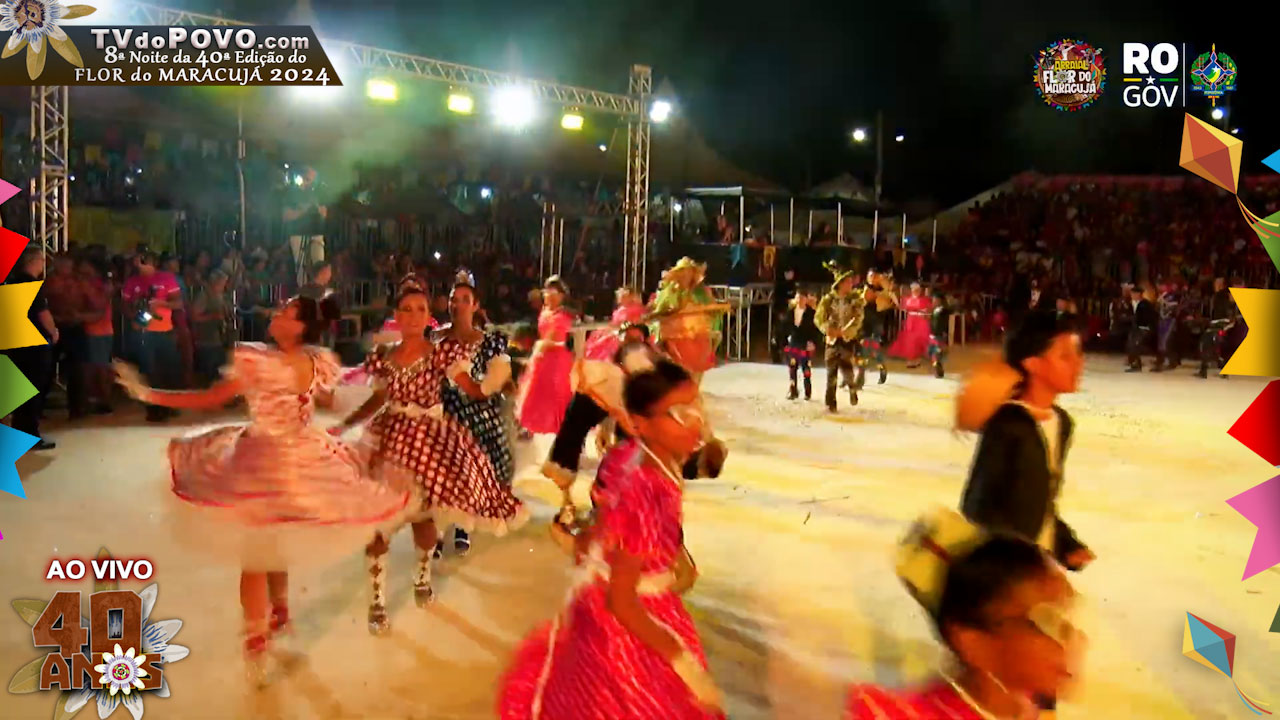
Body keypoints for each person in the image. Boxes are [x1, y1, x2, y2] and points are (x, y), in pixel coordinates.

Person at [112, 296, 410, 682]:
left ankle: (256, 640)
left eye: (286, 313)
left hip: (263, 459)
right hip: (302, 457)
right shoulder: (314, 361)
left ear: (299, 327)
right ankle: (279, 612)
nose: (276, 314)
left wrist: (148, 394)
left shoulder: (262, 361)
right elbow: (330, 397)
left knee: (255, 553)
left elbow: (210, 398)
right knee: (275, 535)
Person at [499, 360, 724, 720]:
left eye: (697, 408)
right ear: (639, 424)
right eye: (680, 414)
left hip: (613, 597)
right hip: (631, 621)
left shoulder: (631, 456)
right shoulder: (647, 490)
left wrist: (589, 543)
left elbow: (607, 521)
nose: (696, 422)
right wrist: (685, 666)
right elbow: (622, 600)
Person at [332, 276, 527, 633]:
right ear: (396, 315)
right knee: (379, 524)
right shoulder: (384, 357)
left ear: (428, 316)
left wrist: (496, 379)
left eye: (420, 309)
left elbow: (474, 390)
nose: (412, 316)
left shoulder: (441, 353)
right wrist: (346, 423)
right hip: (389, 442)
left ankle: (422, 578)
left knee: (423, 523)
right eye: (406, 309)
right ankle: (376, 601)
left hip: (431, 444)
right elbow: (379, 398)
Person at [846, 508, 1082, 719]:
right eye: (1046, 623)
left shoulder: (1030, 707)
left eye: (1069, 621)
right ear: (974, 643)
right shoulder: (883, 714)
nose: (1072, 639)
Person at [437, 276, 514, 556]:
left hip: (477, 413)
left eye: (464, 300)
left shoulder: (489, 342)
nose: (457, 305)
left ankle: (463, 524)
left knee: (469, 470)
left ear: (476, 305)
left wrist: (495, 387)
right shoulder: (436, 339)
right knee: (441, 472)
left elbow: (496, 381)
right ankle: (437, 529)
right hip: (443, 409)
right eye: (453, 300)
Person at [121, 251, 184, 422]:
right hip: (143, 332)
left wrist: (161, 303)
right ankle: (154, 409)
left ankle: (170, 405)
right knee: (148, 371)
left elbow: (178, 303)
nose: (140, 264)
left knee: (169, 370)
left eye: (144, 261)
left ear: (152, 262)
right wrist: (134, 317)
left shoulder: (166, 278)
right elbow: (125, 306)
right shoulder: (132, 282)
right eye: (138, 261)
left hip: (165, 331)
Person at [5, 247, 58, 450]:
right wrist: (53, 331)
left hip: (15, 343)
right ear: (33, 261)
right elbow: (43, 314)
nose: (43, 264)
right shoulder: (33, 285)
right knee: (34, 389)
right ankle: (29, 434)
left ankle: (19, 432)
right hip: (35, 344)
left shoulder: (9, 282)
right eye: (42, 260)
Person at [516, 276, 576, 436]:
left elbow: (556, 338)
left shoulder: (562, 315)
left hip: (556, 359)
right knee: (534, 392)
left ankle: (565, 431)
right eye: (547, 292)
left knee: (556, 396)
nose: (549, 295)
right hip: (542, 358)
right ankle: (529, 426)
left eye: (553, 292)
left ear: (561, 296)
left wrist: (540, 346)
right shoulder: (545, 311)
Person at [815, 262, 865, 412]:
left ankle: (852, 388)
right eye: (848, 282)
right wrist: (828, 329)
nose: (851, 284)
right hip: (832, 340)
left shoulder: (854, 300)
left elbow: (858, 318)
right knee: (831, 371)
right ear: (840, 284)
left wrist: (848, 331)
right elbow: (818, 318)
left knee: (847, 369)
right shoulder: (828, 300)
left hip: (847, 339)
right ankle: (830, 402)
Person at [44, 253, 87, 418]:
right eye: (63, 265)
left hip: (74, 327)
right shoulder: (50, 282)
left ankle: (77, 408)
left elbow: (86, 300)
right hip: (55, 326)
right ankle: (39, 406)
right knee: (47, 367)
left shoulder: (77, 281)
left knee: (76, 369)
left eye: (69, 266)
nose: (67, 269)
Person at [78, 257, 115, 414]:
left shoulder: (100, 285)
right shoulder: (93, 284)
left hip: (99, 331)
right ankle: (96, 399)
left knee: (100, 367)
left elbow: (98, 305)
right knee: (93, 367)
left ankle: (103, 400)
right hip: (92, 330)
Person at [191, 270, 233, 386]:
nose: (224, 286)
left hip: (219, 340)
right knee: (208, 375)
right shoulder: (204, 296)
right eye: (222, 283)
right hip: (206, 341)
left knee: (220, 372)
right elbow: (194, 316)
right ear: (215, 282)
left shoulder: (220, 295)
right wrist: (212, 316)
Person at [858, 269, 898, 387]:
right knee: (864, 348)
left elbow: (891, 303)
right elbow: (862, 300)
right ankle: (861, 375)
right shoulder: (864, 288)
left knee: (873, 348)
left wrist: (883, 293)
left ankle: (880, 368)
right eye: (870, 276)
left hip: (876, 322)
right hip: (865, 322)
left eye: (874, 276)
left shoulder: (883, 291)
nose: (871, 278)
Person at [584, 287, 646, 361]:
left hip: (628, 331)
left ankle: (607, 360)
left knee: (608, 341)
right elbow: (614, 323)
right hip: (618, 330)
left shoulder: (635, 308)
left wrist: (617, 329)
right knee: (597, 336)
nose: (619, 299)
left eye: (623, 296)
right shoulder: (620, 309)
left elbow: (635, 322)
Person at [784, 290, 821, 401]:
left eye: (802, 298)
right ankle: (793, 390)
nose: (800, 300)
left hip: (805, 343)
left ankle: (807, 392)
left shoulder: (811, 313)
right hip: (794, 342)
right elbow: (785, 326)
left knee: (806, 369)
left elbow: (816, 330)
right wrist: (785, 339)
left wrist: (813, 342)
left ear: (806, 299)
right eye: (798, 298)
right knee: (792, 368)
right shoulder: (791, 312)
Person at [1196, 277, 1235, 380]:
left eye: (1217, 283)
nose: (1215, 285)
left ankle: (1204, 370)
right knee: (1212, 346)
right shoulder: (1218, 296)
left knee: (1206, 343)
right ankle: (1212, 369)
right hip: (1218, 323)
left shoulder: (1223, 296)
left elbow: (1226, 311)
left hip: (1220, 323)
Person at [888, 281, 933, 369]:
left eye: (918, 290)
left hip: (921, 322)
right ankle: (911, 360)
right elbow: (902, 307)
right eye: (914, 290)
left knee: (919, 340)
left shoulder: (924, 299)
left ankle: (917, 360)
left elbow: (928, 311)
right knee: (910, 341)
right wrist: (896, 301)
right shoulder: (907, 299)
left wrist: (924, 313)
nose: (916, 291)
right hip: (911, 322)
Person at [1152, 281, 1184, 373]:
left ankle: (1169, 361)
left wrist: (1164, 302)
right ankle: (1162, 361)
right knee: (1161, 342)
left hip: (1170, 321)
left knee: (1166, 341)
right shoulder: (1163, 295)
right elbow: (1157, 308)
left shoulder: (1176, 295)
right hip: (1162, 321)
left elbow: (1176, 306)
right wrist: (1159, 301)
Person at [1124, 284, 1156, 372]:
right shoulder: (1132, 303)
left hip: (1143, 328)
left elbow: (1149, 317)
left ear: (1138, 294)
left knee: (1135, 345)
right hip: (1135, 328)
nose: (1132, 295)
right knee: (1131, 345)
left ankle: (1136, 365)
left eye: (1133, 293)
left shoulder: (1145, 304)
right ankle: (1134, 363)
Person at [927, 290, 953, 379]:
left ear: (939, 301)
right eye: (933, 300)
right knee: (933, 354)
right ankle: (937, 368)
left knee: (937, 354)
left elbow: (942, 324)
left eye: (935, 300)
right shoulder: (935, 311)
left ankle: (938, 370)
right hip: (933, 335)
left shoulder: (944, 311)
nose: (933, 302)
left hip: (939, 335)